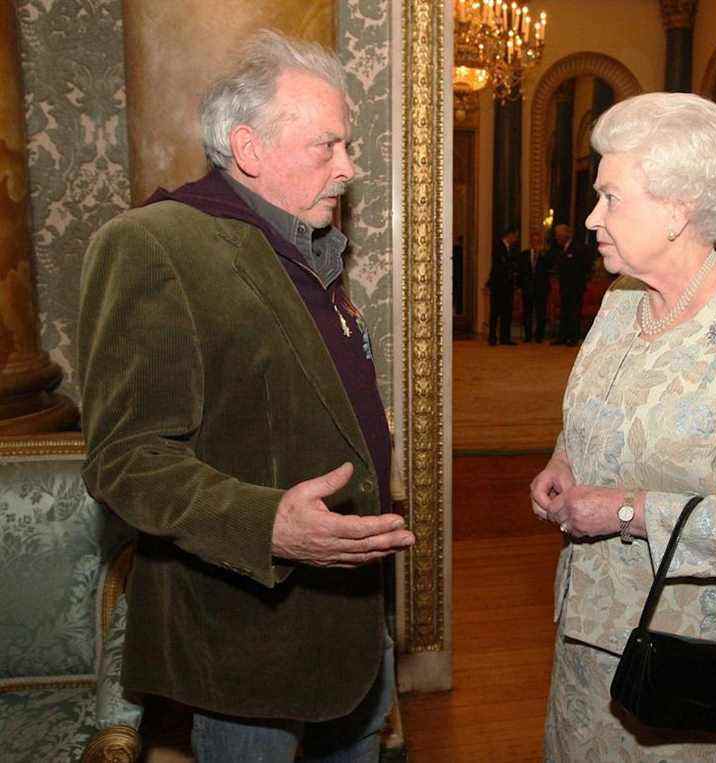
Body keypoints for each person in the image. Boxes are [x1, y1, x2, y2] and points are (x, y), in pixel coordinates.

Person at [77, 30, 415, 763]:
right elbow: (124, 461)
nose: (348, 168)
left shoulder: (309, 245)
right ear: (250, 149)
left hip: (354, 630)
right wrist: (268, 526)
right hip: (246, 643)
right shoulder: (154, 244)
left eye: (346, 146)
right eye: (328, 147)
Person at [531, 92, 716, 762]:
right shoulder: (619, 300)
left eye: (610, 196)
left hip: (682, 650)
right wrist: (563, 464)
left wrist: (630, 510)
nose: (590, 216)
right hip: (585, 630)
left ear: (676, 208)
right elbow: (590, 420)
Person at [550, 223, 592, 345]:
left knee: (574, 313)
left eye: (559, 235)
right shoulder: (561, 249)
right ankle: (562, 337)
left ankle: (573, 338)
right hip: (564, 286)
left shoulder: (578, 248)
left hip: (576, 287)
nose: (557, 238)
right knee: (565, 312)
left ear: (566, 234)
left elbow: (585, 267)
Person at [518, 228, 553, 342]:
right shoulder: (524, 255)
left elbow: (550, 267)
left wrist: (541, 254)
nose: (535, 243)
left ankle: (539, 337)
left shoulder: (545, 255)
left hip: (541, 289)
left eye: (538, 241)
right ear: (531, 242)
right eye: (534, 241)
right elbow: (521, 272)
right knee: (527, 313)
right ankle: (527, 336)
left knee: (540, 314)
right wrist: (519, 287)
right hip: (527, 288)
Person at [487, 225, 519, 345]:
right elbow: (501, 265)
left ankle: (505, 337)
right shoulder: (498, 246)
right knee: (495, 312)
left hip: (508, 285)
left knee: (506, 312)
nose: (516, 239)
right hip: (498, 284)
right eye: (515, 236)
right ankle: (492, 337)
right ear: (509, 235)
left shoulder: (511, 248)